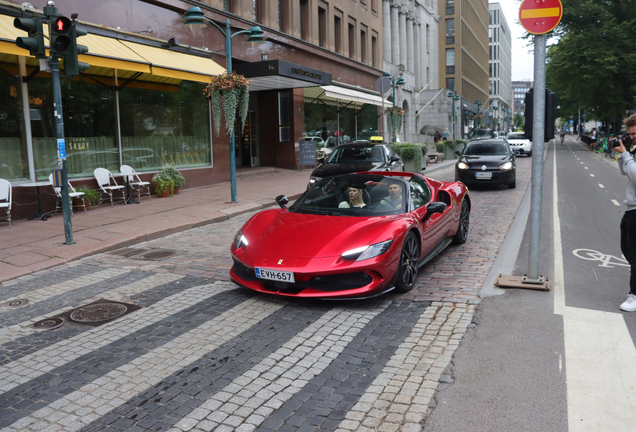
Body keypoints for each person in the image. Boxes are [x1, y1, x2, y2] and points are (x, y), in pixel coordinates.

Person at [614, 113, 636, 311]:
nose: (632, 137)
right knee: (626, 250)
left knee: (634, 255)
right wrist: (623, 153)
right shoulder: (634, 149)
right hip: (631, 209)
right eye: (630, 134)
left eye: (635, 133)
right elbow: (625, 171)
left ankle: (634, 296)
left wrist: (627, 155)